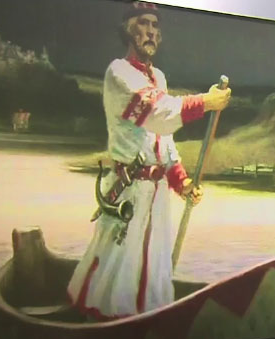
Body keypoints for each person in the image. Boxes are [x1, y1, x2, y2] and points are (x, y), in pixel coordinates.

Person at [66, 1, 231, 320]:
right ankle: (103, 326)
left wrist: (181, 180)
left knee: (154, 263)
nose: (151, 32)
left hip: (155, 197)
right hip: (127, 193)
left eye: (155, 26)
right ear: (128, 29)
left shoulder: (159, 77)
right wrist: (205, 102)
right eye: (143, 23)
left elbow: (162, 139)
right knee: (118, 267)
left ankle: (149, 322)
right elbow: (157, 114)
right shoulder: (119, 73)